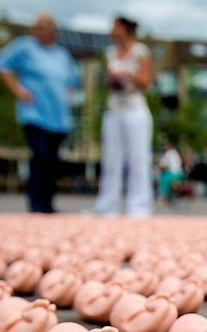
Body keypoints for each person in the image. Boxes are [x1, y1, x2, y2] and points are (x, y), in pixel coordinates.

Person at [0, 14, 79, 213]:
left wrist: (66, 96)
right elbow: (0, 65)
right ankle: (36, 203)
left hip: (59, 118)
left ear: (52, 30)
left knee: (53, 161)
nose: (36, 31)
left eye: (41, 27)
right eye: (35, 27)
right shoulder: (24, 46)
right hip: (35, 114)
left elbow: (73, 80)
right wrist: (18, 90)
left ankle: (48, 203)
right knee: (40, 154)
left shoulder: (61, 54)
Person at [92, 16, 153, 217]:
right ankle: (106, 206)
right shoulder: (110, 53)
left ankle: (139, 208)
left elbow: (145, 81)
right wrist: (113, 79)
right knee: (111, 159)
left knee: (138, 158)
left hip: (135, 108)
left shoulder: (141, 51)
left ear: (125, 29)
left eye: (115, 26)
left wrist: (127, 74)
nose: (111, 30)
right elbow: (110, 82)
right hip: (114, 109)